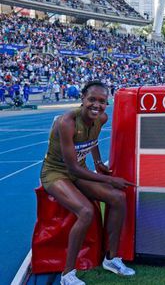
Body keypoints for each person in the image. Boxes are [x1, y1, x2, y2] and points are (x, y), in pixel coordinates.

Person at [40, 80, 135, 285]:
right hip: (56, 173)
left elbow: (92, 140)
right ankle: (67, 274)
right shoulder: (66, 122)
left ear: (106, 104)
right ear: (82, 99)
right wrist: (109, 179)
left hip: (79, 170)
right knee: (86, 211)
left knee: (118, 198)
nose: (96, 105)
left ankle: (111, 259)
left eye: (102, 101)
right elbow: (72, 169)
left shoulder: (101, 118)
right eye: (92, 99)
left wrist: (99, 162)